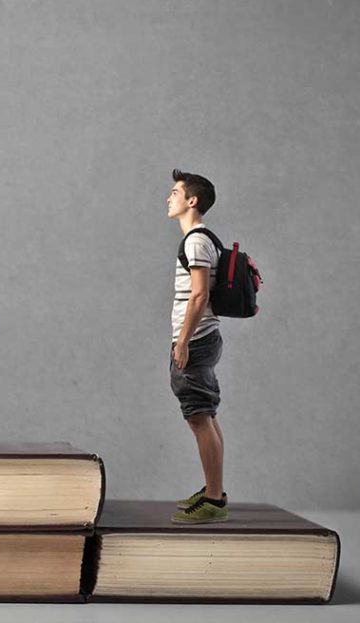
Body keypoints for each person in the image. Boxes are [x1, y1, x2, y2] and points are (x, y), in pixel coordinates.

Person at [166, 168, 229, 524]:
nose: (168, 198)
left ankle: (214, 500)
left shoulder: (196, 241)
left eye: (175, 192)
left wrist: (183, 342)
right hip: (203, 336)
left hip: (198, 338)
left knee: (199, 418)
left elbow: (200, 293)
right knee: (204, 416)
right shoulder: (200, 240)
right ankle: (212, 492)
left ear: (192, 200)